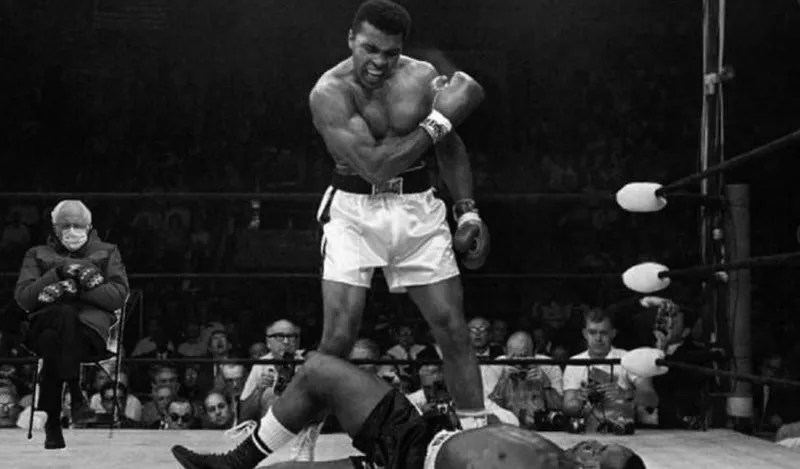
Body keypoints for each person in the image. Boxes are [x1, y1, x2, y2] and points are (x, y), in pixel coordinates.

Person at [308, 0, 490, 445]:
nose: (379, 62)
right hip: (354, 210)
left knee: (453, 328)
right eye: (369, 49)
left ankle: (477, 441)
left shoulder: (422, 76)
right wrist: (440, 119)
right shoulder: (329, 92)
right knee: (337, 339)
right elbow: (375, 167)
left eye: (390, 53)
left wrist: (467, 210)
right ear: (351, 39)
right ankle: (300, 439)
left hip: (417, 207)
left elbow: (449, 146)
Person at [171, 351, 646, 469]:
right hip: (419, 438)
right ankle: (236, 463)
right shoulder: (555, 457)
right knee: (319, 371)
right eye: (598, 444)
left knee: (319, 371)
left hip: (410, 455)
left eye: (597, 453)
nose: (590, 444)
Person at [14, 199, 130, 449]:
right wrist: (57, 273)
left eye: (78, 225)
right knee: (62, 317)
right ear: (55, 228)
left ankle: (53, 426)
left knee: (52, 340)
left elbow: (118, 296)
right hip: (43, 321)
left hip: (88, 334)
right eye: (65, 226)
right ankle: (76, 395)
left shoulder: (108, 252)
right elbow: (24, 298)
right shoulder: (37, 254)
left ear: (89, 226)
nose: (72, 231)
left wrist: (75, 289)